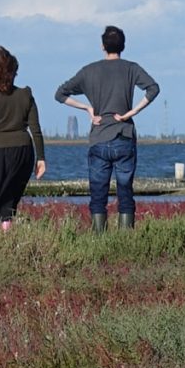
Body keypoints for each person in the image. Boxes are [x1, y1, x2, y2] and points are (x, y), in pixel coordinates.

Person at [54, 24, 160, 230]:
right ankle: (125, 239)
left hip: (99, 138)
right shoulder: (131, 68)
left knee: (98, 193)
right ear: (123, 46)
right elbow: (153, 89)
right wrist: (132, 112)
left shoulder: (89, 71)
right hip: (124, 136)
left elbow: (60, 94)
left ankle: (98, 239)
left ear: (103, 46)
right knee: (125, 192)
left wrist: (87, 108)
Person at [0, 45, 47, 230]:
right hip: (23, 153)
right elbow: (36, 129)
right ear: (13, 71)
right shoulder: (26, 95)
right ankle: (6, 234)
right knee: (10, 198)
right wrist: (41, 158)